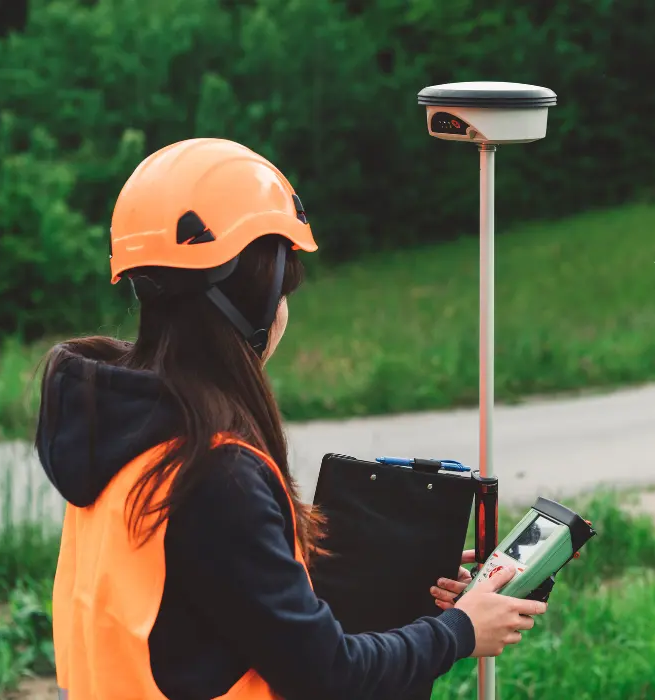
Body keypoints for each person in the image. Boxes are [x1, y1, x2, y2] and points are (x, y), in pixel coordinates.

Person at [35, 137, 546, 700]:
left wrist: (396, 572)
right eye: (283, 289)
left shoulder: (121, 426)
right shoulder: (213, 470)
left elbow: (199, 602)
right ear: (252, 303)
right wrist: (461, 631)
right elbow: (329, 676)